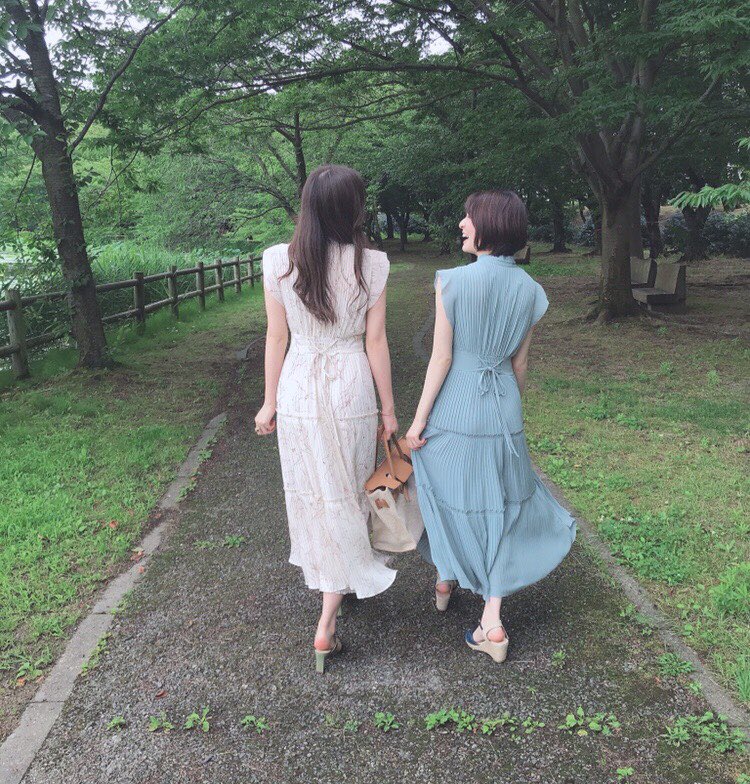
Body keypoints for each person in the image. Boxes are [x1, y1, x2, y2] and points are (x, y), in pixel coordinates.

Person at [405, 190, 576, 664]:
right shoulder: (531, 290)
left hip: (456, 406)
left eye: (468, 217)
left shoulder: (451, 281)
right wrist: (508, 411)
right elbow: (519, 365)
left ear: (488, 227)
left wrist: (418, 421)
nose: (461, 224)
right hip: (504, 406)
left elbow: (441, 358)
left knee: (443, 489)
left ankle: (446, 579)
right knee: (502, 505)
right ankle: (491, 619)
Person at [254, 164, 398, 673]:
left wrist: (269, 401)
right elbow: (375, 341)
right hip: (350, 385)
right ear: (353, 208)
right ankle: (328, 619)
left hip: (297, 386)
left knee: (314, 489)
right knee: (349, 488)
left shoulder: (278, 260)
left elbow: (277, 337)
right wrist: (389, 410)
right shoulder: (372, 264)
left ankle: (334, 578)